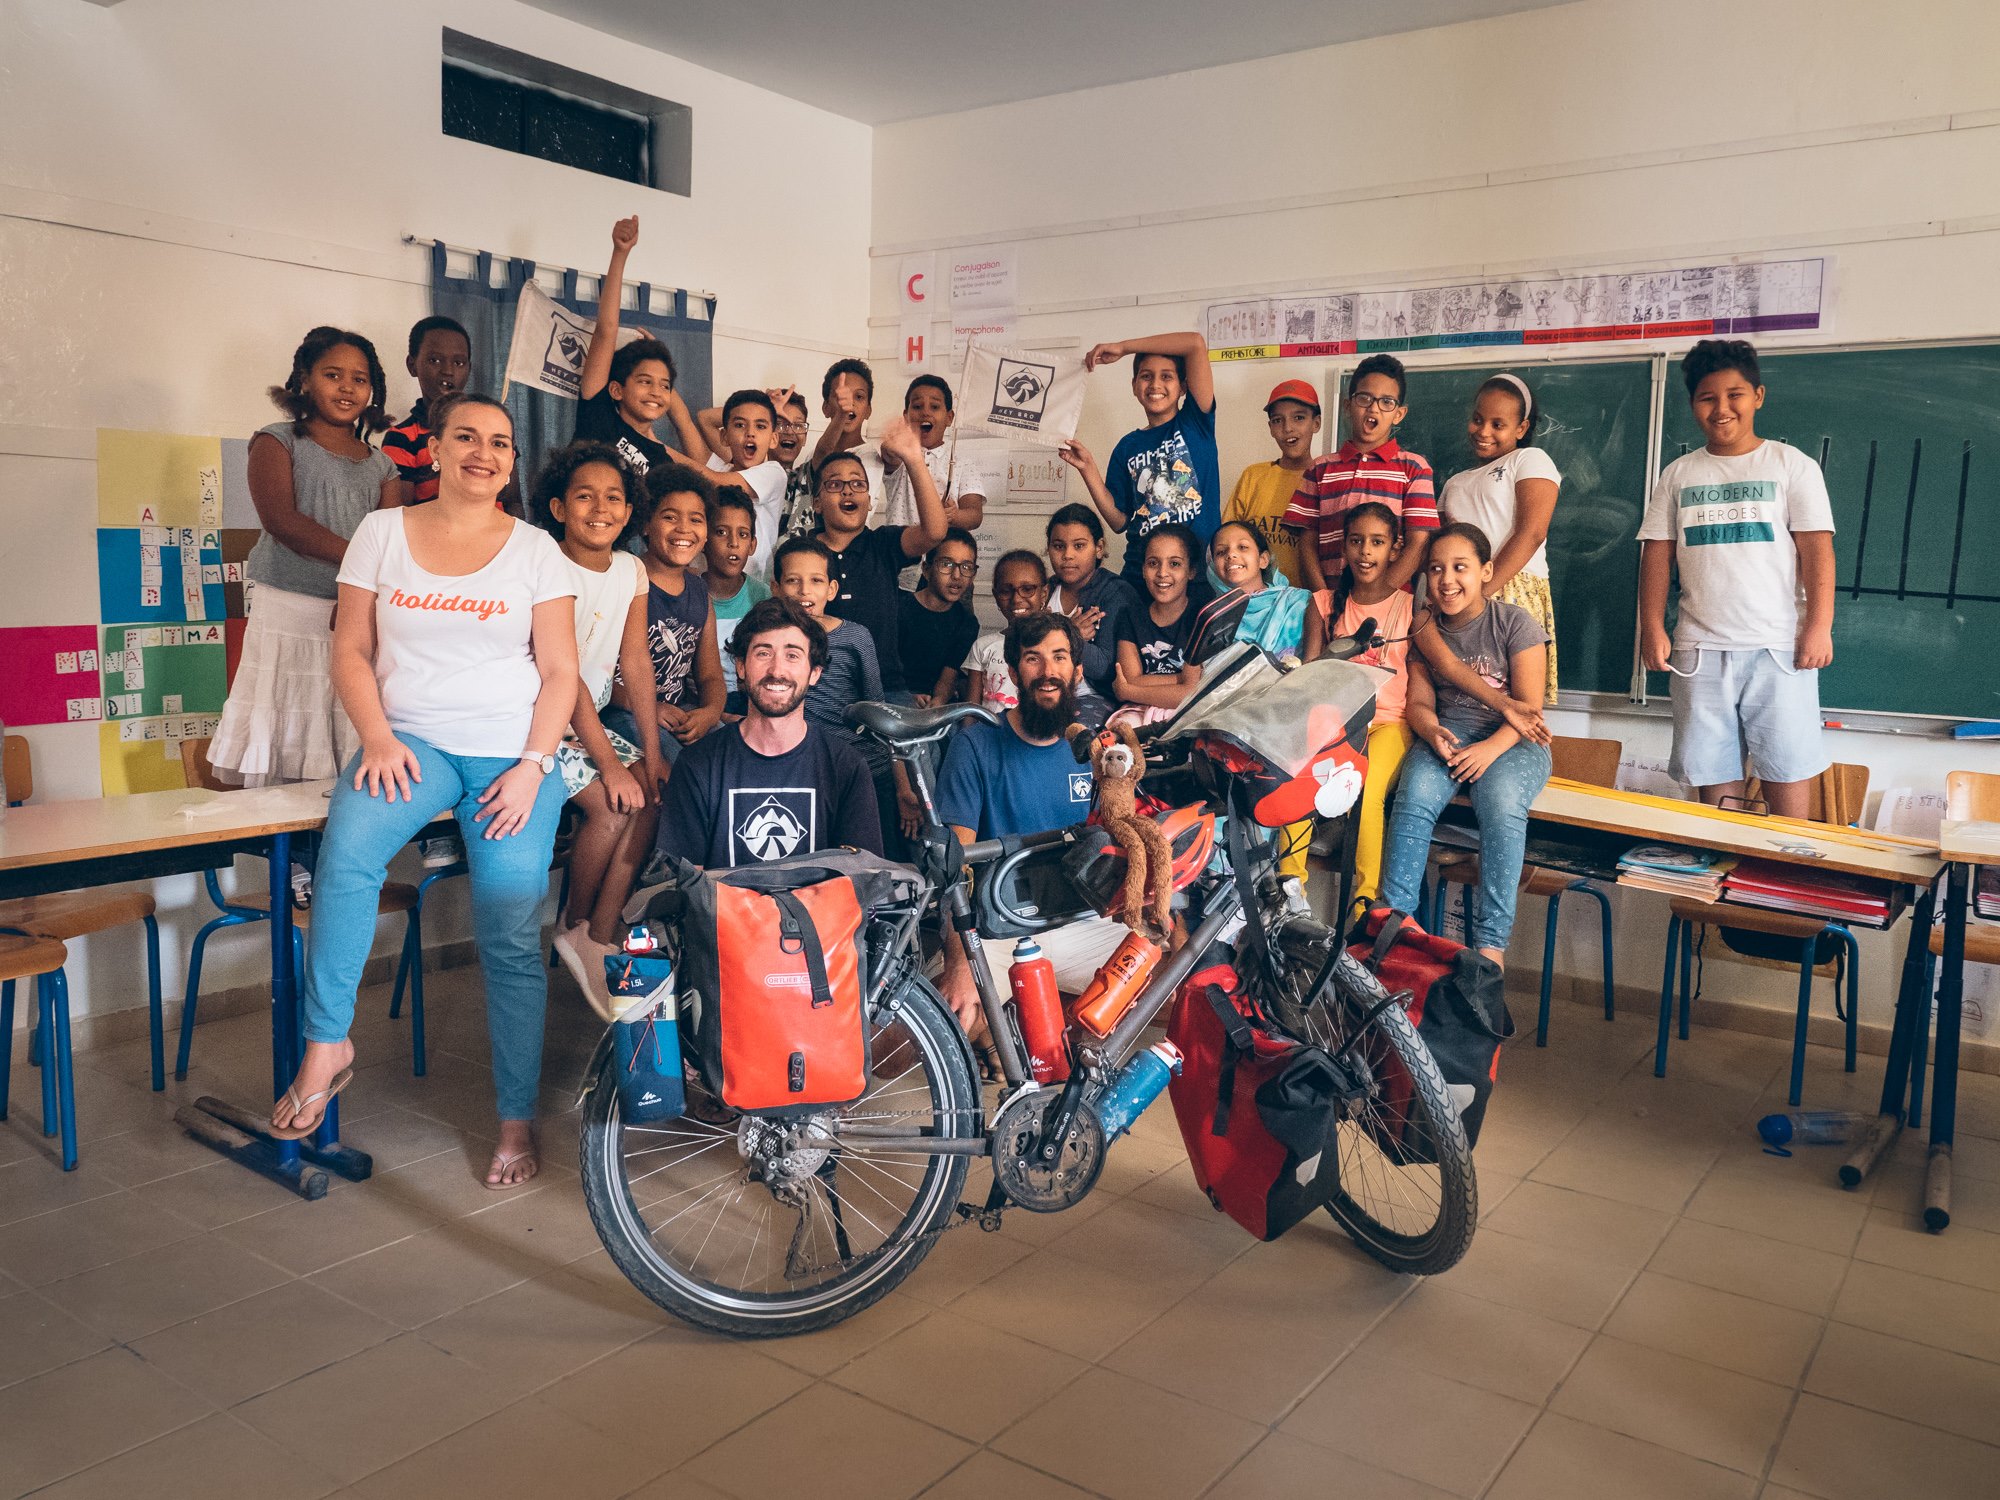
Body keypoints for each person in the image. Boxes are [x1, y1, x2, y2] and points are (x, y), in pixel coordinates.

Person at [273, 393, 578, 1189]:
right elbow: (350, 649)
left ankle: (515, 1118)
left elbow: (560, 672)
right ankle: (327, 1045)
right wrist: (377, 738)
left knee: (508, 927)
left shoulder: (536, 550)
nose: (484, 453)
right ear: (434, 449)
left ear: (512, 462)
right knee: (345, 859)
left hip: (511, 753)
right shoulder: (382, 534)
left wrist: (533, 766)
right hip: (409, 741)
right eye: (466, 437)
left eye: (500, 443)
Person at [210, 327, 399, 849]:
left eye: (359, 379)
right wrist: (359, 566)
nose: (347, 387)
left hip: (355, 615)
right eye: (333, 374)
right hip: (289, 609)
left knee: (346, 729)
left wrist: (360, 588)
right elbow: (282, 520)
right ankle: (291, 861)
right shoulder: (276, 440)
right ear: (305, 380)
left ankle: (334, 854)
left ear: (373, 391)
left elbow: (391, 545)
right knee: (289, 729)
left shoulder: (383, 465)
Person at [1639, 339, 1834, 818]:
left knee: (1786, 775)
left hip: (1779, 649)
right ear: (1692, 404)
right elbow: (1657, 556)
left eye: (1735, 395)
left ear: (1758, 396)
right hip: (1700, 651)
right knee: (1715, 789)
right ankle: (1723, 863)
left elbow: (1817, 552)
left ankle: (1782, 863)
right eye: (1707, 398)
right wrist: (1652, 627)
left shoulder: (1792, 465)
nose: (1722, 408)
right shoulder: (1678, 474)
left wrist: (1819, 627)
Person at [934, 613, 1123, 1029]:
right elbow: (954, 868)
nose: (1048, 671)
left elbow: (1122, 834)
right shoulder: (974, 745)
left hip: (1081, 918)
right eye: (1033, 658)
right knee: (935, 1029)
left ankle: (1049, 1030)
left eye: (1059, 657)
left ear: (1077, 671)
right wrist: (961, 961)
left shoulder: (1096, 750)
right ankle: (1013, 1030)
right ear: (1015, 672)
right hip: (1000, 925)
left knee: (1175, 975)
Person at [1379, 523, 1553, 967]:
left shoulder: (1514, 623)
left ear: (1486, 571)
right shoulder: (1424, 628)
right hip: (1449, 735)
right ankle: (1395, 930)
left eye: (1461, 567)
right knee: (1413, 796)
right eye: (1436, 569)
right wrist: (1431, 730)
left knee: (1499, 801)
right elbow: (1419, 702)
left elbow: (1529, 713)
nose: (1447, 580)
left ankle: (1490, 947)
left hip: (1513, 742)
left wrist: (1490, 749)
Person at [528, 443, 662, 1017]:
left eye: (614, 498)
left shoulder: (632, 570)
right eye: (585, 496)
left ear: (630, 511)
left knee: (652, 794)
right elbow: (568, 676)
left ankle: (599, 932)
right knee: (611, 806)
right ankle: (575, 925)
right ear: (558, 507)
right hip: (540, 718)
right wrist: (610, 764)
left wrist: (651, 753)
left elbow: (636, 662)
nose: (600, 508)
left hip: (588, 723)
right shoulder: (545, 563)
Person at [655, 597, 881, 867]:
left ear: (814, 673)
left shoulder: (846, 767)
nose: (777, 670)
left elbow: (861, 879)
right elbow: (686, 881)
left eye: (792, 655)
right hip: (719, 898)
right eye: (763, 653)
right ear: (741, 666)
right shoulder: (698, 765)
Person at [1302, 503, 1415, 907]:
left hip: (1389, 724)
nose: (1365, 551)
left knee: (1365, 791)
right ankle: (1288, 888)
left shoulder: (1411, 608)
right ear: (1343, 547)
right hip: (1335, 724)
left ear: (1395, 548)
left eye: (1377, 542)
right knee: (1299, 779)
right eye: (1356, 541)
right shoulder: (1323, 603)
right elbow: (1310, 673)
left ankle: (1366, 904)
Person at [1057, 329, 1219, 589]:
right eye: (1146, 376)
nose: (1155, 384)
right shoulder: (1127, 447)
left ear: (1183, 387)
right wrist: (1088, 470)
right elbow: (1119, 521)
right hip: (1140, 575)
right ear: (1134, 386)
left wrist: (1124, 347)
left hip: (1194, 574)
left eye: (1166, 376)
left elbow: (1195, 344)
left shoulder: (1195, 423)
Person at [1438, 372, 1564, 703]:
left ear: (1521, 428)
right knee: (1463, 696)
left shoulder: (1529, 459)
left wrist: (1481, 593)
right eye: (1478, 419)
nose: (1483, 431)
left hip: (1510, 587)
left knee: (1516, 700)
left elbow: (1532, 532)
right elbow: (1440, 546)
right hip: (1460, 593)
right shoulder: (1454, 482)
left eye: (1498, 424)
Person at [814, 417, 948, 700]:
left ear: (869, 500)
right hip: (820, 685)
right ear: (817, 503)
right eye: (835, 484)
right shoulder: (803, 552)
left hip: (886, 686)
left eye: (858, 484)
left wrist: (913, 459)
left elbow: (935, 531)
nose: (848, 490)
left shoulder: (883, 543)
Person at [1282, 354, 1437, 595]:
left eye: (1386, 402)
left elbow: (1418, 543)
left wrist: (1377, 597)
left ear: (1399, 413)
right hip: (1331, 601)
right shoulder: (1319, 469)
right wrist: (1324, 599)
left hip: (1391, 603)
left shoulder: (1415, 468)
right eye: (1364, 398)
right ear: (1348, 405)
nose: (1373, 408)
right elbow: (1307, 544)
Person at [604, 464, 724, 768]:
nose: (684, 528)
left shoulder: (700, 592)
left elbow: (710, 675)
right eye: (670, 517)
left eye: (696, 519)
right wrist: (650, 707)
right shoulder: (623, 577)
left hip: (679, 711)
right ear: (645, 524)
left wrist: (710, 712)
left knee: (729, 757)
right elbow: (595, 673)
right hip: (622, 710)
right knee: (677, 769)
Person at [574, 215, 706, 482]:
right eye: (645, 381)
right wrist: (620, 254)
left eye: (665, 386)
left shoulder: (663, 460)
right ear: (616, 389)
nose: (656, 392)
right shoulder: (598, 415)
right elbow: (606, 331)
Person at [880, 376, 986, 583]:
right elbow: (888, 454)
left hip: (946, 572)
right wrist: (897, 442)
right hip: (898, 565)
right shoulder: (900, 456)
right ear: (906, 416)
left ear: (949, 417)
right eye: (917, 406)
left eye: (935, 407)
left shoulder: (962, 463)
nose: (925, 412)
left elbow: (975, 515)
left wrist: (955, 515)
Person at [1223, 379, 1321, 587]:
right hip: (1253, 599)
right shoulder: (1253, 477)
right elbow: (1226, 541)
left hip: (1306, 600)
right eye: (1278, 420)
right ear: (1270, 428)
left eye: (1299, 418)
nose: (1288, 428)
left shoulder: (1325, 479)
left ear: (1316, 423)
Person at [1045, 503, 1141, 711]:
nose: (1067, 555)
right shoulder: (1045, 589)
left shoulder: (1116, 593)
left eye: (1079, 546)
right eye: (1059, 546)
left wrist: (1065, 636)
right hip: (1044, 689)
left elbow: (1104, 669)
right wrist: (1072, 632)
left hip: (1094, 697)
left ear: (1099, 548)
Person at [1112, 523, 1205, 719]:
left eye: (1174, 564)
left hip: (1188, 713)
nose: (1162, 573)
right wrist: (1182, 679)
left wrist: (1129, 691)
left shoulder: (1201, 616)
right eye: (1153, 563)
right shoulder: (1130, 616)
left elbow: (1191, 693)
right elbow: (1129, 678)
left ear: (1191, 571)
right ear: (1143, 569)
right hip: (1138, 710)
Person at [381, 315, 470, 507]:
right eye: (435, 360)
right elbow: (401, 514)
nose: (448, 371)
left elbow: (513, 503)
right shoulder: (401, 438)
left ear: (469, 369)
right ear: (412, 366)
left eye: (459, 363)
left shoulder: (493, 427)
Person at [700, 389, 787, 580]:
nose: (750, 433)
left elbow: (714, 480)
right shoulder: (721, 469)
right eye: (740, 425)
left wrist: (655, 448)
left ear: (773, 439)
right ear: (724, 436)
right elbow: (703, 418)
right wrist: (763, 407)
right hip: (712, 583)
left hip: (754, 587)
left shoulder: (774, 473)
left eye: (760, 426)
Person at [703, 488, 769, 712]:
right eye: (721, 532)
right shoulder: (690, 594)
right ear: (704, 539)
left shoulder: (763, 597)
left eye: (743, 534)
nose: (733, 543)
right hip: (701, 702)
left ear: (752, 545)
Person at [899, 528, 980, 706]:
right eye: (946, 564)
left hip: (934, 705)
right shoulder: (898, 609)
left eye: (966, 567)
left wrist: (938, 700)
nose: (957, 575)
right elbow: (882, 671)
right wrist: (906, 698)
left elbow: (947, 679)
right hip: (893, 697)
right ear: (926, 569)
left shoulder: (967, 623)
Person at [963, 551, 1050, 713]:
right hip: (990, 728)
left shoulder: (1055, 644)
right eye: (1005, 591)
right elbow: (972, 712)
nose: (1016, 599)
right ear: (996, 596)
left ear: (1044, 593)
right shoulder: (983, 646)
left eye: (1027, 589)